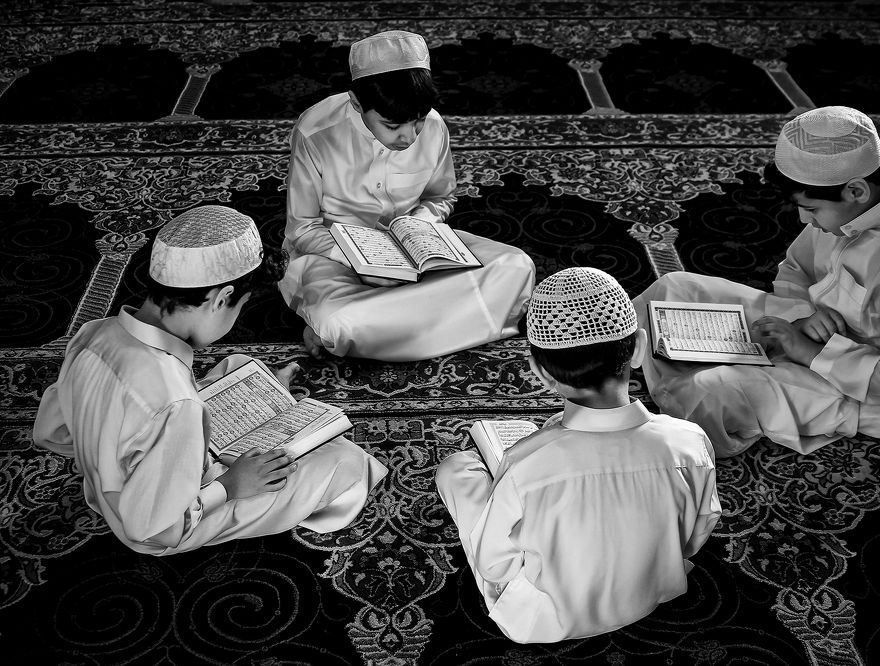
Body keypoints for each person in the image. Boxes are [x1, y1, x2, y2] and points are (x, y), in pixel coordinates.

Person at [33, 205, 388, 555]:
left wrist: (111, 454)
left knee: (240, 366)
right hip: (160, 521)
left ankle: (258, 405)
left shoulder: (94, 334)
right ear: (222, 299)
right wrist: (230, 485)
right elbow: (157, 530)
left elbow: (51, 432)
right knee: (346, 461)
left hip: (113, 483)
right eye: (239, 307)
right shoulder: (177, 406)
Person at [633, 105, 880, 457]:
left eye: (812, 209)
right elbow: (796, 268)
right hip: (808, 327)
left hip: (861, 386)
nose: (805, 220)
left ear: (856, 190)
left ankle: (671, 383)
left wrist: (807, 351)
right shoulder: (858, 201)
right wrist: (803, 319)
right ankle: (624, 361)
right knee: (672, 289)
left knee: (706, 391)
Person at [436, 267, 721, 643]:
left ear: (541, 373)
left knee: (456, 469)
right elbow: (697, 532)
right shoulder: (690, 442)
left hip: (545, 620)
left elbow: (495, 566)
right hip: (652, 592)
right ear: (638, 348)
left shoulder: (525, 463)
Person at [280, 29, 535, 361]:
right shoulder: (315, 132)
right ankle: (444, 315)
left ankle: (379, 327)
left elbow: (440, 197)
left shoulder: (434, 126)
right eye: (392, 125)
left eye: (417, 122)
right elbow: (302, 229)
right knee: (337, 320)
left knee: (516, 266)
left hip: (415, 248)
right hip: (334, 255)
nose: (409, 137)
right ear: (356, 103)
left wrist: (418, 226)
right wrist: (358, 261)